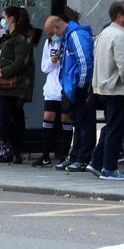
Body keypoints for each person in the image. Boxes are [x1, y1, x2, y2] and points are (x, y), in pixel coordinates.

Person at [0, 6, 34, 164]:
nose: (2, 20)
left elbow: (20, 62)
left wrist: (2, 72)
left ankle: (11, 148)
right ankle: (13, 150)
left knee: (4, 117)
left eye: (4, 17)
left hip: (14, 86)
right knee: (12, 117)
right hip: (6, 86)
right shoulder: (7, 38)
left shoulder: (21, 39)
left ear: (11, 19)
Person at [90, 3, 124, 180]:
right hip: (117, 89)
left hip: (102, 87)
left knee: (111, 128)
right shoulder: (120, 35)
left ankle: (96, 162)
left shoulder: (104, 33)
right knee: (115, 130)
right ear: (119, 16)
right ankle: (109, 168)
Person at [47, 13, 95, 171]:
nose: (52, 37)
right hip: (72, 87)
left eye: (51, 33)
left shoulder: (75, 36)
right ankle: (75, 156)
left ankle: (83, 158)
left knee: (85, 124)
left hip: (79, 88)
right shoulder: (69, 37)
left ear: (56, 27)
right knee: (78, 124)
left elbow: (85, 63)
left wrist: (81, 87)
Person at [33, 17, 71, 167]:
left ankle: (64, 155)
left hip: (65, 87)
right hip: (51, 88)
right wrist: (52, 61)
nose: (52, 34)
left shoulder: (70, 40)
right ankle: (45, 155)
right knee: (48, 118)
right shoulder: (49, 43)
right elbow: (44, 67)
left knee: (65, 120)